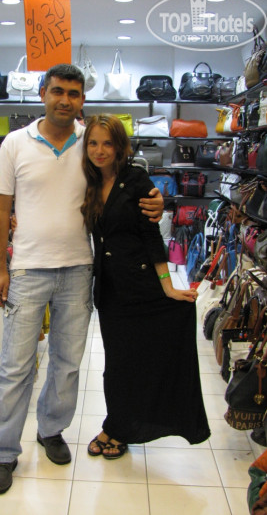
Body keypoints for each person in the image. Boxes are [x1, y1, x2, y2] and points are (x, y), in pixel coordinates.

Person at [0, 65, 164, 495]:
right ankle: (4, 452)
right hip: (27, 269)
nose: (65, 100)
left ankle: (51, 429)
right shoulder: (15, 143)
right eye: (57, 91)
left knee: (67, 362)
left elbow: (126, 183)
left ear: (82, 99)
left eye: (74, 93)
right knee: (15, 366)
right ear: (43, 94)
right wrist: (1, 268)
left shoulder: (91, 143)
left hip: (80, 269)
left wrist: (157, 199)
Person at [81, 114, 210, 459]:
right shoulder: (89, 181)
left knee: (139, 361)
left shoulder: (135, 179)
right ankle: (119, 424)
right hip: (109, 290)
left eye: (107, 143)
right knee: (117, 364)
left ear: (120, 146)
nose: (99, 150)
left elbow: (151, 236)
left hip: (140, 287)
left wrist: (167, 286)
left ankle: (116, 429)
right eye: (93, 143)